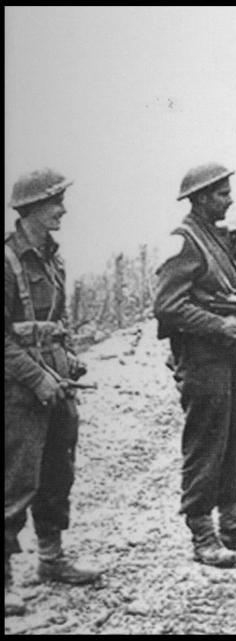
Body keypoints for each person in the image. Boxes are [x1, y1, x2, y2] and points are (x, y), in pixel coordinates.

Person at [154, 163, 236, 568]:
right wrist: (217, 324)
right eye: (222, 193)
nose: (229, 199)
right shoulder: (184, 241)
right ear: (202, 197)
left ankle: (232, 521)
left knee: (235, 436)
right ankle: (201, 531)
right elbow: (168, 306)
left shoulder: (220, 240)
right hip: (201, 356)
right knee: (206, 440)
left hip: (229, 354)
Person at [5, 169, 101, 616]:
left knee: (57, 473)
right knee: (16, 481)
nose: (62, 209)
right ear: (30, 210)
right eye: (54, 203)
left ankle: (51, 559)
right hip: (19, 392)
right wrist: (37, 377)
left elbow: (55, 326)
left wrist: (69, 362)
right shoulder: (7, 263)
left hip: (58, 385)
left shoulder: (54, 258)